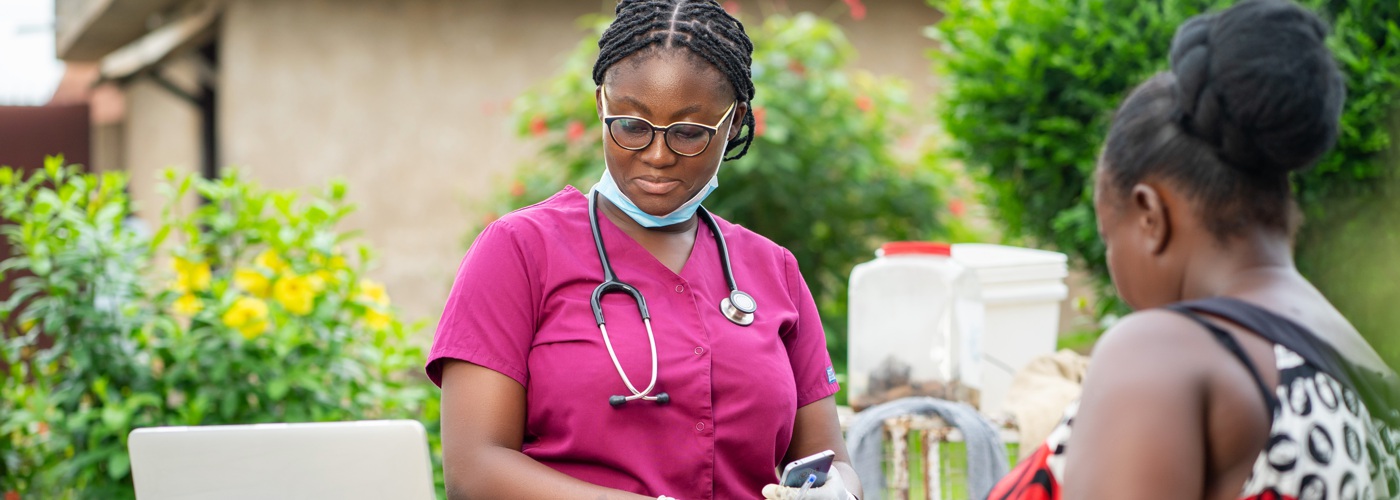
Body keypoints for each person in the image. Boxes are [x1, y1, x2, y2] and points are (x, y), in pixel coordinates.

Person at [426, 1, 863, 499]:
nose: (657, 156)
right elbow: (475, 470)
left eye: (689, 133)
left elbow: (831, 463)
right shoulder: (520, 251)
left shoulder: (773, 269)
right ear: (601, 107)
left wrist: (833, 492)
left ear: (735, 120)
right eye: (631, 126)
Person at [988, 0, 1400, 498]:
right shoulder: (1363, 369)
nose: (1112, 269)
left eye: (1106, 238)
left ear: (1149, 216)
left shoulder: (1161, 353)